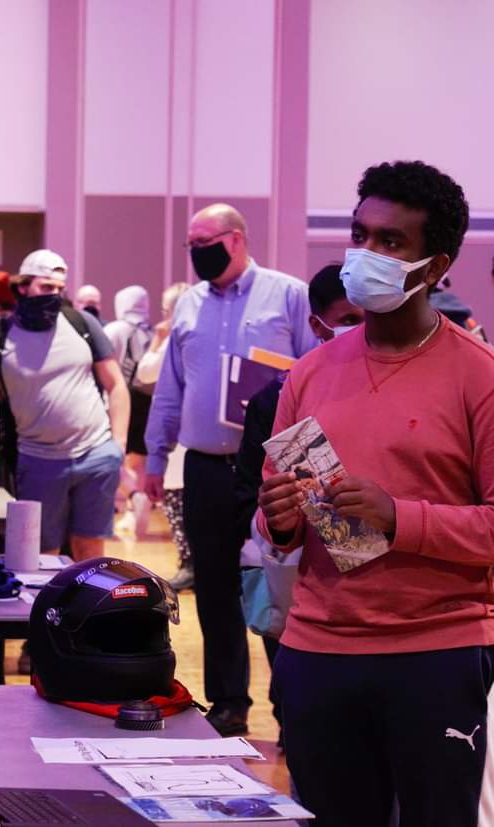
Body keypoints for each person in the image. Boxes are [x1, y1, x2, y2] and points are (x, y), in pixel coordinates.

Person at [258, 161, 494, 827]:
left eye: (390, 242)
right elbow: (279, 515)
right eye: (360, 234)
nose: (366, 254)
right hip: (315, 651)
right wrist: (276, 522)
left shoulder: (478, 376)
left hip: (437, 653)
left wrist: (400, 517)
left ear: (435, 263)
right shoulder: (308, 374)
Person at [144, 203, 318, 737]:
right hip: (204, 466)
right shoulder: (190, 305)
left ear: (237, 239)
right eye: (190, 243)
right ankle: (227, 704)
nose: (198, 250)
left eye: (206, 239)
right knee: (216, 587)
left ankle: (292, 709)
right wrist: (155, 454)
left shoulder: (287, 295)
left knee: (275, 583)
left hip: (274, 466)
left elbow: (315, 373)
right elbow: (171, 385)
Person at [234, 263, 364, 749]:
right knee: (296, 692)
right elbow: (252, 486)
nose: (362, 327)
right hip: (293, 571)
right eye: (349, 317)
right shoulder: (281, 393)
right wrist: (280, 520)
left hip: (372, 586)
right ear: (317, 324)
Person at [0, 249, 129, 561]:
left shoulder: (81, 323)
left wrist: (118, 445)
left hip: (96, 455)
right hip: (38, 460)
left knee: (90, 553)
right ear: (22, 286)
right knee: (40, 555)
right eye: (46, 287)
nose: (54, 295)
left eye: (60, 289)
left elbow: (116, 384)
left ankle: (89, 612)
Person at [134, 282, 192, 589]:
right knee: (176, 497)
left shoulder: (175, 340)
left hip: (180, 433)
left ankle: (189, 563)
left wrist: (159, 339)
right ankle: (189, 562)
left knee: (176, 500)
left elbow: (145, 372)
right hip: (178, 431)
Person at [104, 285, 154, 539]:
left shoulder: (114, 330)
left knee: (115, 457)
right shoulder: (152, 332)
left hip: (118, 401)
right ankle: (134, 508)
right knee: (139, 460)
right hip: (147, 403)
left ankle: (132, 494)